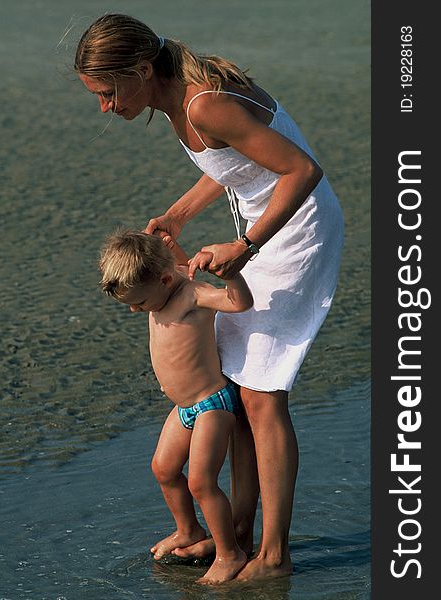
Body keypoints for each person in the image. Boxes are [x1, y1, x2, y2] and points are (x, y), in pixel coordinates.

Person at [76, 13, 344, 580]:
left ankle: (274, 555)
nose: (104, 107)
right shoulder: (181, 99)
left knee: (262, 397)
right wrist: (177, 214)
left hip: (294, 236)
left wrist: (244, 245)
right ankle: (238, 539)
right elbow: (236, 165)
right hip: (261, 229)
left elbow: (302, 170)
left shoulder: (203, 103)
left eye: (107, 92)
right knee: (240, 390)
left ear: (142, 70)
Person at [98, 228, 253, 584]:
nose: (136, 309)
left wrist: (232, 274)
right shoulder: (168, 283)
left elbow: (238, 303)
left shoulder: (192, 295)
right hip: (183, 408)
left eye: (139, 302)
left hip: (212, 404)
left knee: (201, 482)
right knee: (164, 469)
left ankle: (231, 554)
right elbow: (182, 266)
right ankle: (189, 530)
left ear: (165, 279)